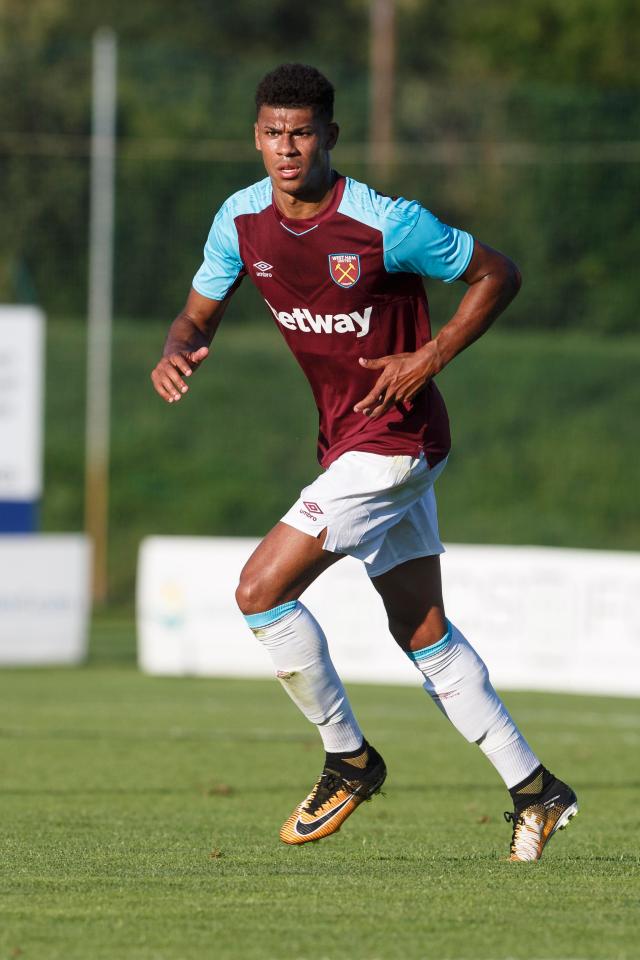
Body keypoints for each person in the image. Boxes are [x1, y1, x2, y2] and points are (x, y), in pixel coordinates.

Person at [151, 63, 578, 861]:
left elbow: (499, 273)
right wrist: (180, 348)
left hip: (395, 441)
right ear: (256, 136)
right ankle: (537, 790)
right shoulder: (239, 220)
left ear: (329, 138)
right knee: (421, 630)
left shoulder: (387, 222)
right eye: (274, 133)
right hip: (349, 439)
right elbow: (195, 314)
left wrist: (432, 353)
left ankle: (348, 759)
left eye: (302, 133)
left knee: (259, 591)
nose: (287, 148)